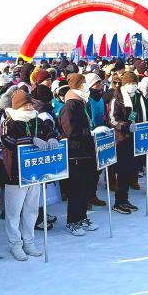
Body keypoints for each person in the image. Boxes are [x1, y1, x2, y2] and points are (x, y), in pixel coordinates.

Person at [0, 90, 56, 257]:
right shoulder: (9, 121)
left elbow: (50, 130)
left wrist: (52, 137)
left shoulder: (36, 119)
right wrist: (31, 140)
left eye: (31, 104)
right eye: (26, 104)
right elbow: (8, 141)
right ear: (18, 106)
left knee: (31, 210)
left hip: (34, 172)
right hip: (15, 174)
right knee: (14, 212)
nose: (30, 107)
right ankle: (15, 244)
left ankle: (29, 241)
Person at [59, 73, 102, 234]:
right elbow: (70, 130)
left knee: (85, 186)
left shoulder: (81, 103)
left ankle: (82, 217)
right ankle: (72, 221)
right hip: (75, 152)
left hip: (86, 151)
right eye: (83, 83)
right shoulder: (70, 105)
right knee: (76, 189)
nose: (86, 86)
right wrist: (90, 132)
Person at [109, 71, 144, 214]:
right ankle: (119, 201)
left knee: (131, 169)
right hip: (122, 139)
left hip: (135, 137)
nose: (132, 86)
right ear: (124, 84)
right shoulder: (117, 99)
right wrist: (125, 126)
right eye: (130, 83)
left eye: (135, 83)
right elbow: (113, 120)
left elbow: (140, 114)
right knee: (123, 171)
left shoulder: (138, 96)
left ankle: (125, 199)